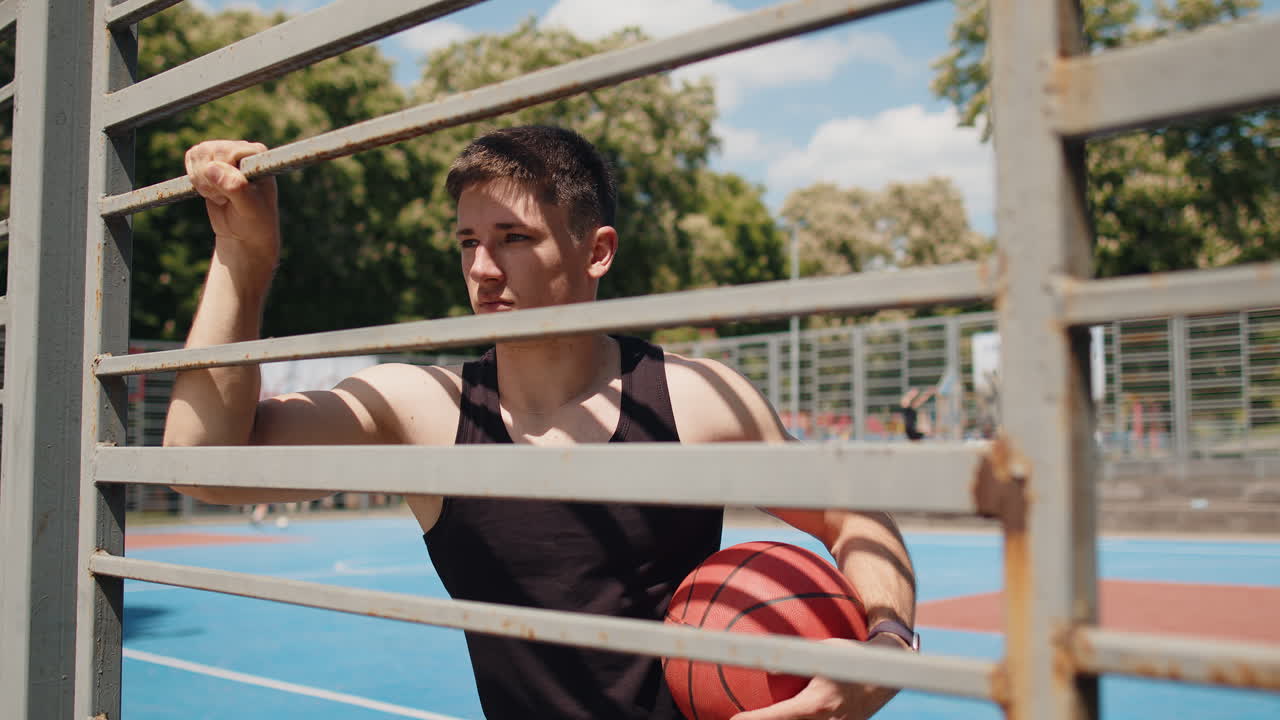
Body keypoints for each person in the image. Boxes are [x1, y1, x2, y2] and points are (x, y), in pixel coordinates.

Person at [164, 126, 917, 720]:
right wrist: (242, 255)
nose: (483, 270)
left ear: (597, 253)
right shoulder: (427, 411)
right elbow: (205, 461)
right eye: (468, 242)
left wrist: (886, 646)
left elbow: (853, 515)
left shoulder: (693, 400)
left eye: (513, 238)